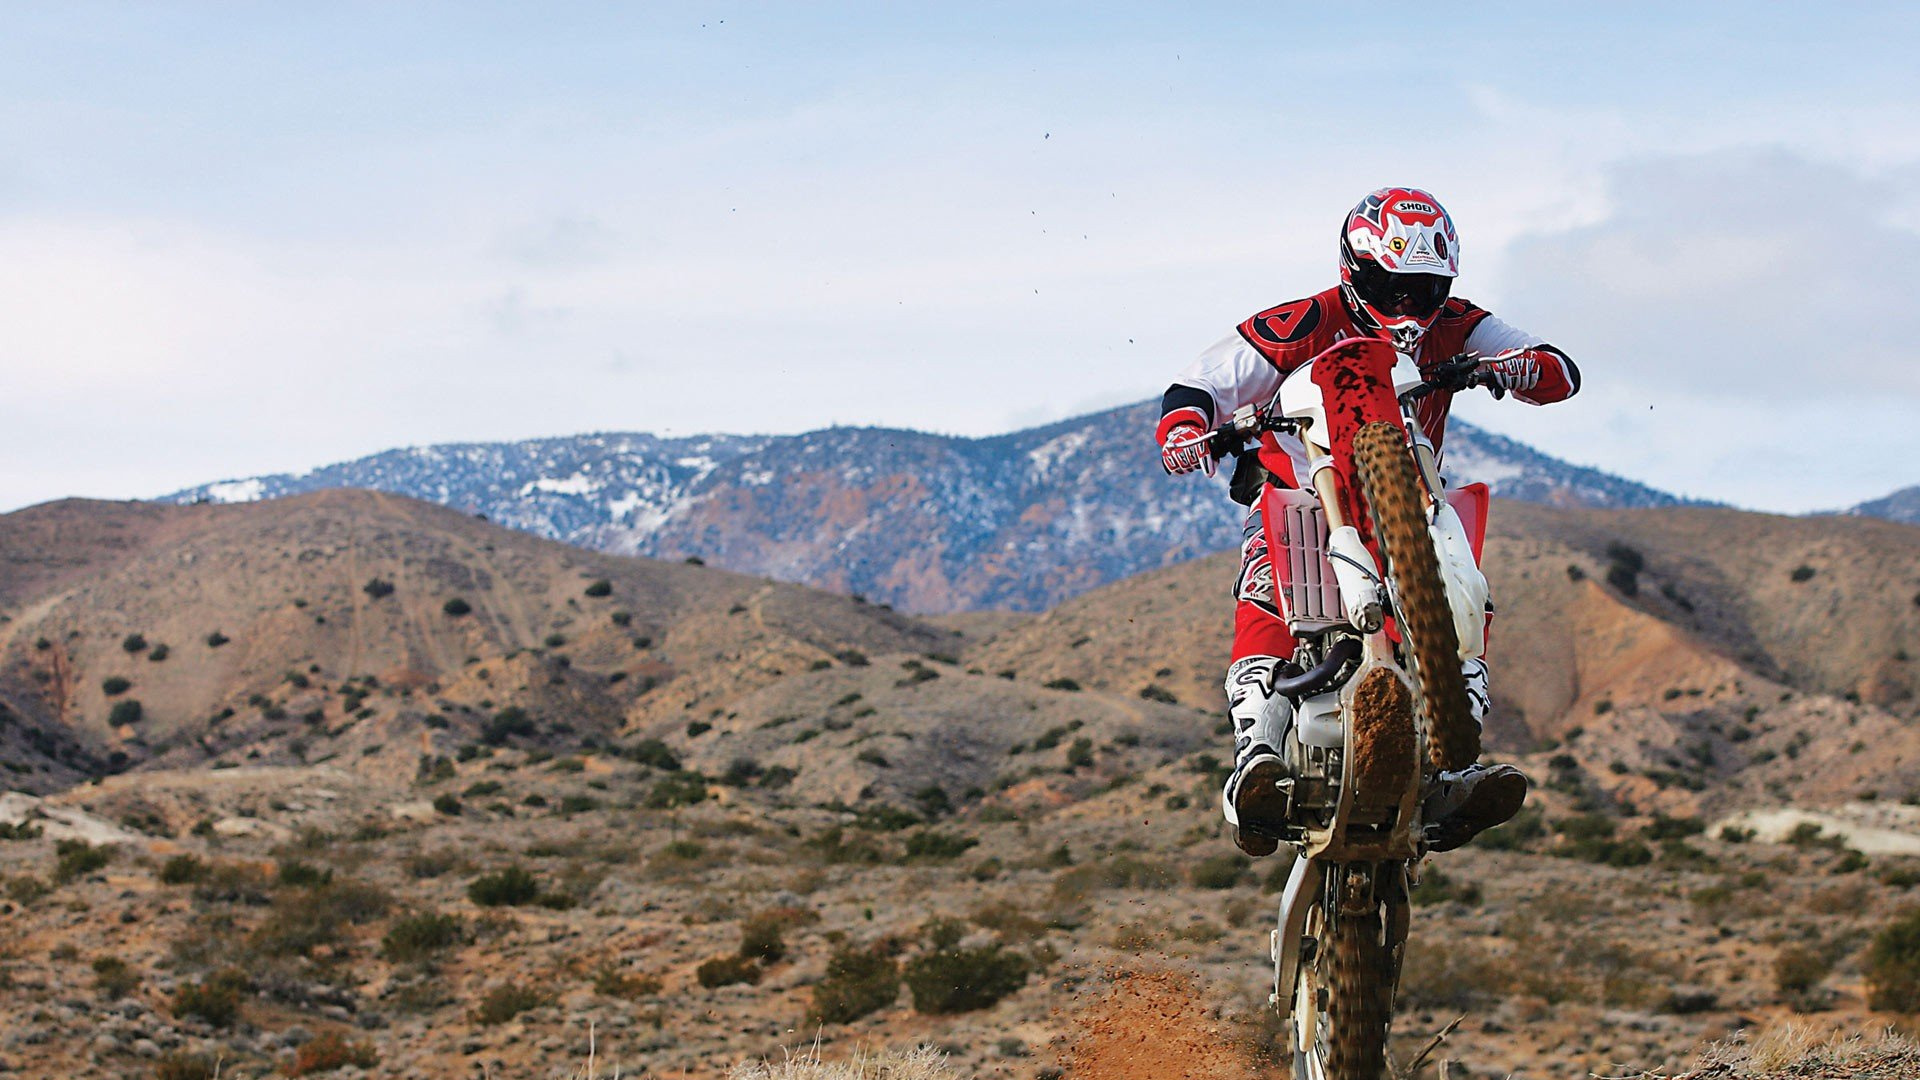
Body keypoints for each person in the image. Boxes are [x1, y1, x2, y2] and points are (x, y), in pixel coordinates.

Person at [1156, 187, 1580, 857]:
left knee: (1469, 587)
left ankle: (1456, 764)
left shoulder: (1461, 323)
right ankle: (1255, 757)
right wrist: (1187, 429)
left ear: (1445, 283)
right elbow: (1199, 385)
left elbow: (1558, 369)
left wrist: (1526, 365)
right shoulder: (1304, 321)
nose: (1407, 305)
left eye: (1423, 288)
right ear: (1355, 270)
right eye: (1390, 285)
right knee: (1269, 589)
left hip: (1407, 496)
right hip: (1301, 487)